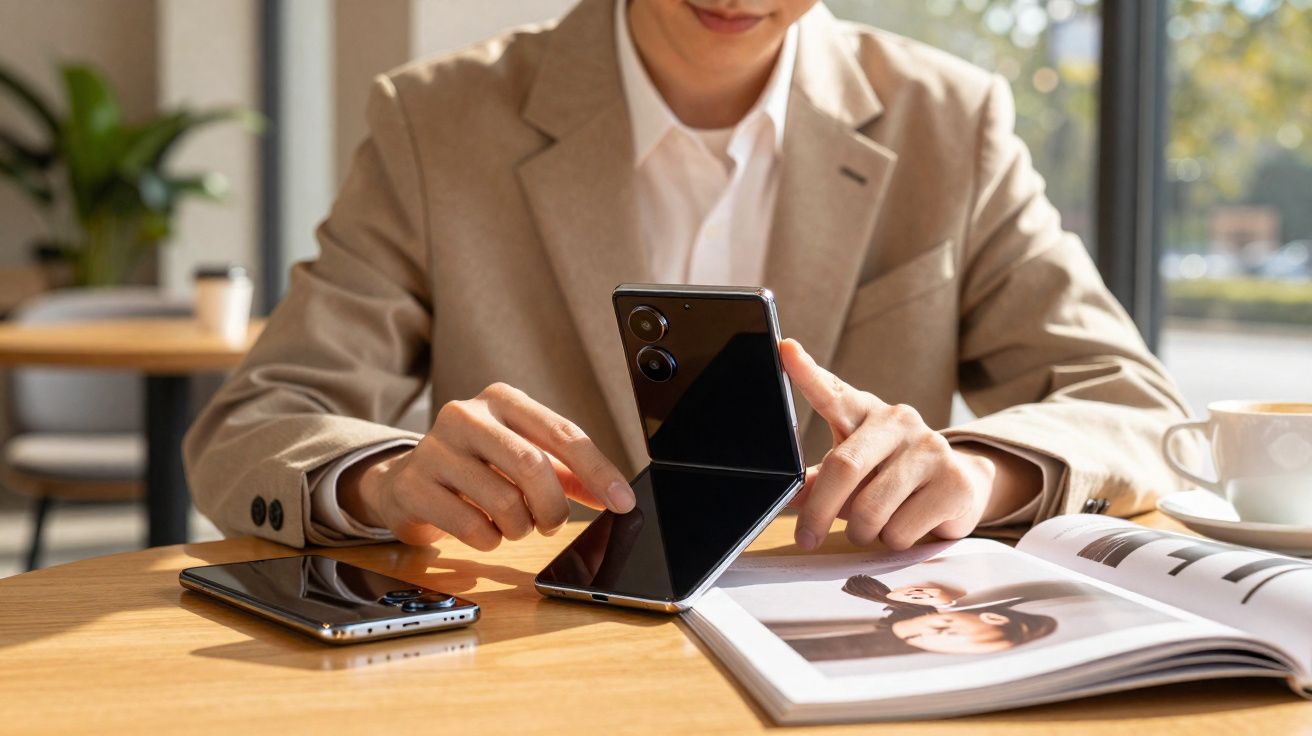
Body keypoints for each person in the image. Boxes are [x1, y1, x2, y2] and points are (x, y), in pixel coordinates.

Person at [184, 0, 1196, 552]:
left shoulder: (951, 122)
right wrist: (384, 478)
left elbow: (1139, 412)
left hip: (848, 667)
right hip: (534, 668)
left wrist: (977, 471)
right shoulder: (436, 121)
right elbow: (253, 425)